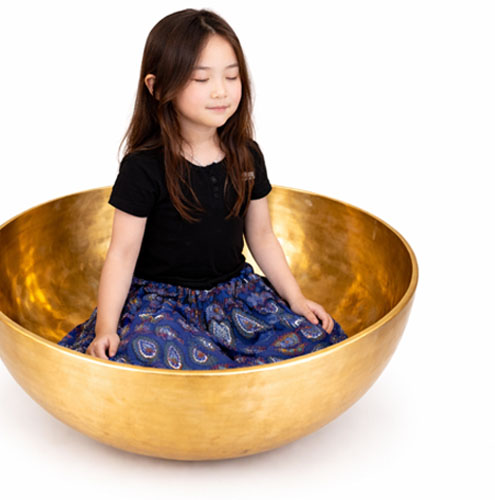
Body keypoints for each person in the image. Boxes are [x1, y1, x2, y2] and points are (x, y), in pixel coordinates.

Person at [58, 8, 347, 369]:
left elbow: (262, 236)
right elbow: (121, 255)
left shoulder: (247, 156)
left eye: (231, 76)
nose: (221, 91)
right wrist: (106, 329)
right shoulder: (143, 167)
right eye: (201, 79)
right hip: (162, 306)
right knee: (147, 352)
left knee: (315, 337)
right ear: (157, 86)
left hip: (234, 297)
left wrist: (296, 299)